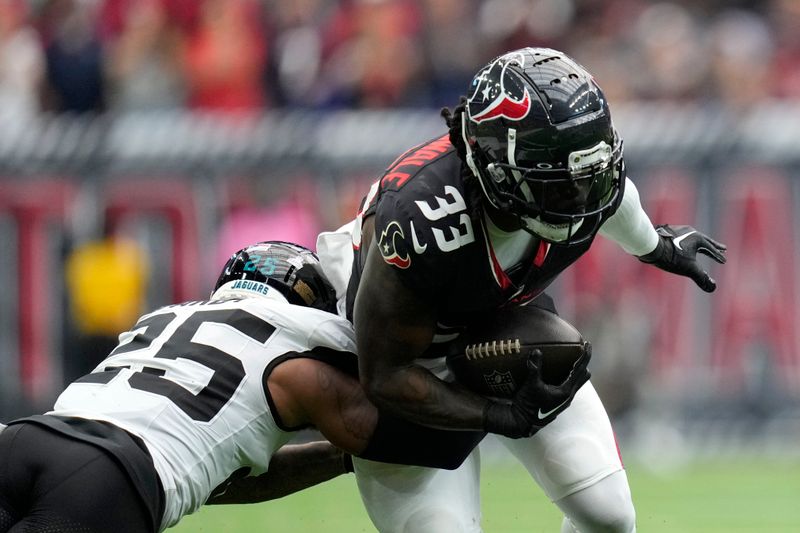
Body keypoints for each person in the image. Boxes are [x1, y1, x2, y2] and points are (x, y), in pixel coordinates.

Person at [316, 47, 727, 532]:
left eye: (587, 176)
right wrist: (498, 415)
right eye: (557, 182)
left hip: (504, 334)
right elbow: (384, 376)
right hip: (410, 366)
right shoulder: (420, 221)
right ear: (494, 169)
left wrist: (656, 246)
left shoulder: (577, 184)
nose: (580, 201)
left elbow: (611, 199)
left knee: (609, 516)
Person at [0, 240, 489, 532]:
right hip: (106, 481)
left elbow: (226, 480)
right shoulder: (295, 362)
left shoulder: (168, 319)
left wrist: (337, 459)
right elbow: (416, 442)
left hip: (24, 438)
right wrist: (495, 407)